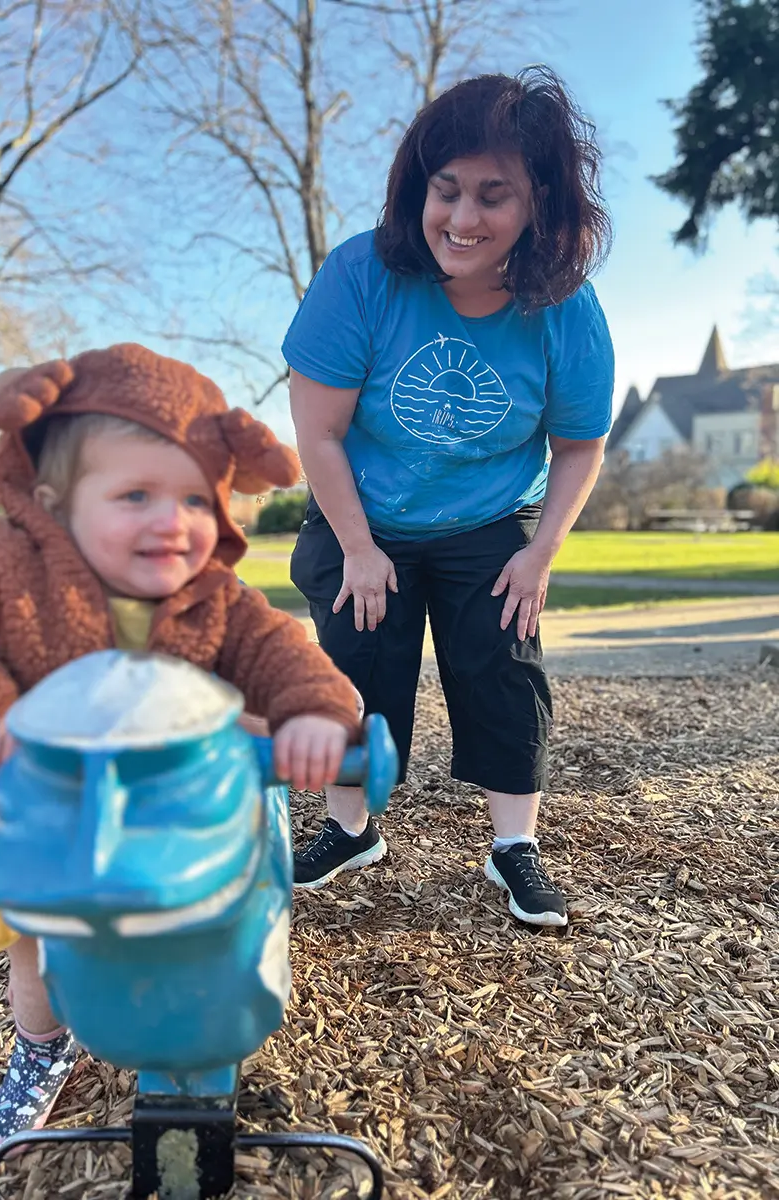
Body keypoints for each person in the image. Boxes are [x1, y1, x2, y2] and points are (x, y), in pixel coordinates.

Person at [0, 345, 362, 1151]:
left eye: (194, 498)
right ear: (51, 500)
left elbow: (282, 653)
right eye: (136, 494)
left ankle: (189, 1047)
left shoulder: (211, 596)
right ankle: (41, 1051)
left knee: (206, 937)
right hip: (49, 816)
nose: (173, 522)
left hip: (184, 820)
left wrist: (312, 713)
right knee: (43, 950)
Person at [282, 66, 614, 927]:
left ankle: (515, 847)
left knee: (502, 669)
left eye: (494, 197)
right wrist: (357, 549)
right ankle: (351, 829)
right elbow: (318, 434)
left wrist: (541, 553)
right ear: (418, 190)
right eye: (448, 190)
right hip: (364, 511)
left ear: (539, 205)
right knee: (355, 675)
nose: (463, 220)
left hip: (491, 517)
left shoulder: (567, 307)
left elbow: (580, 444)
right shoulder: (359, 274)